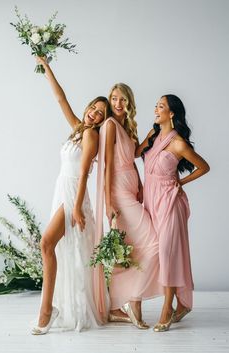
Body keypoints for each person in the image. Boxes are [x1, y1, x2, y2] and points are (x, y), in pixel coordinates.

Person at [31, 57, 111, 334]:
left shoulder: (91, 137)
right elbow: (60, 99)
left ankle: (46, 310)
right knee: (50, 247)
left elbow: (85, 172)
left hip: (73, 194)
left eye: (101, 113)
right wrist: (47, 68)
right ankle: (48, 308)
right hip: (61, 189)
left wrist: (76, 207)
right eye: (93, 108)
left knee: (45, 244)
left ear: (103, 120)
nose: (94, 114)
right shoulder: (79, 129)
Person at [136, 94, 210, 332]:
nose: (156, 109)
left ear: (172, 113)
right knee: (157, 254)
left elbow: (204, 167)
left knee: (168, 256)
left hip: (170, 203)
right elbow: (136, 154)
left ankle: (167, 308)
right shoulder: (154, 136)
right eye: (156, 105)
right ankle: (181, 304)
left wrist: (182, 183)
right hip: (151, 202)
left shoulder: (178, 143)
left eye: (161, 106)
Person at [94, 83, 163, 329]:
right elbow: (107, 165)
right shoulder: (110, 125)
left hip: (131, 190)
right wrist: (108, 203)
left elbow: (133, 154)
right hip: (118, 193)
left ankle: (116, 305)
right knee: (153, 242)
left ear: (129, 102)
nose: (118, 104)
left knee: (131, 249)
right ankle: (133, 301)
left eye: (122, 99)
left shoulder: (125, 126)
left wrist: (141, 183)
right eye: (114, 99)